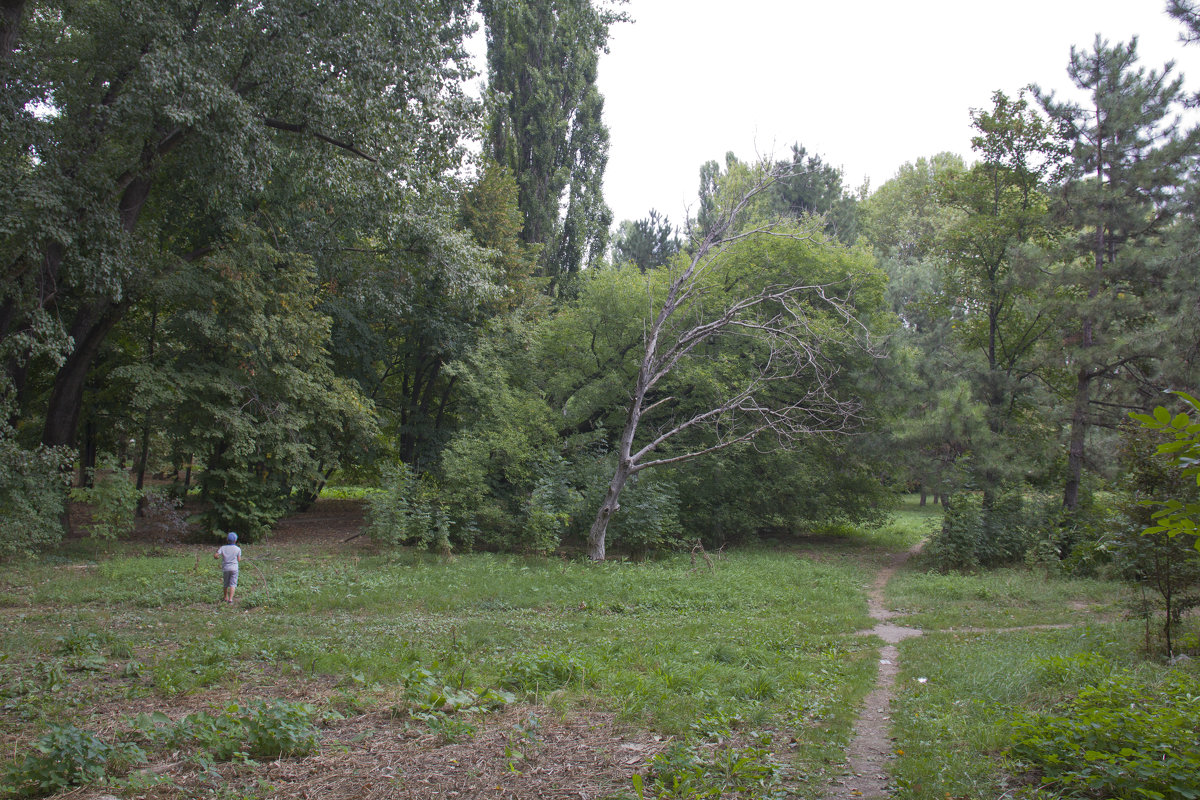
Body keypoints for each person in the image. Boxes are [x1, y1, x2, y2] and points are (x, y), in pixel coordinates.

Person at [214, 532, 242, 604]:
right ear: (235, 540)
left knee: (226, 583)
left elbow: (216, 555)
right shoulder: (237, 549)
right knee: (233, 584)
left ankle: (225, 597)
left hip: (226, 568)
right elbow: (239, 560)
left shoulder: (223, 548)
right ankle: (230, 599)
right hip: (234, 568)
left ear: (227, 540)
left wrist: (217, 557)